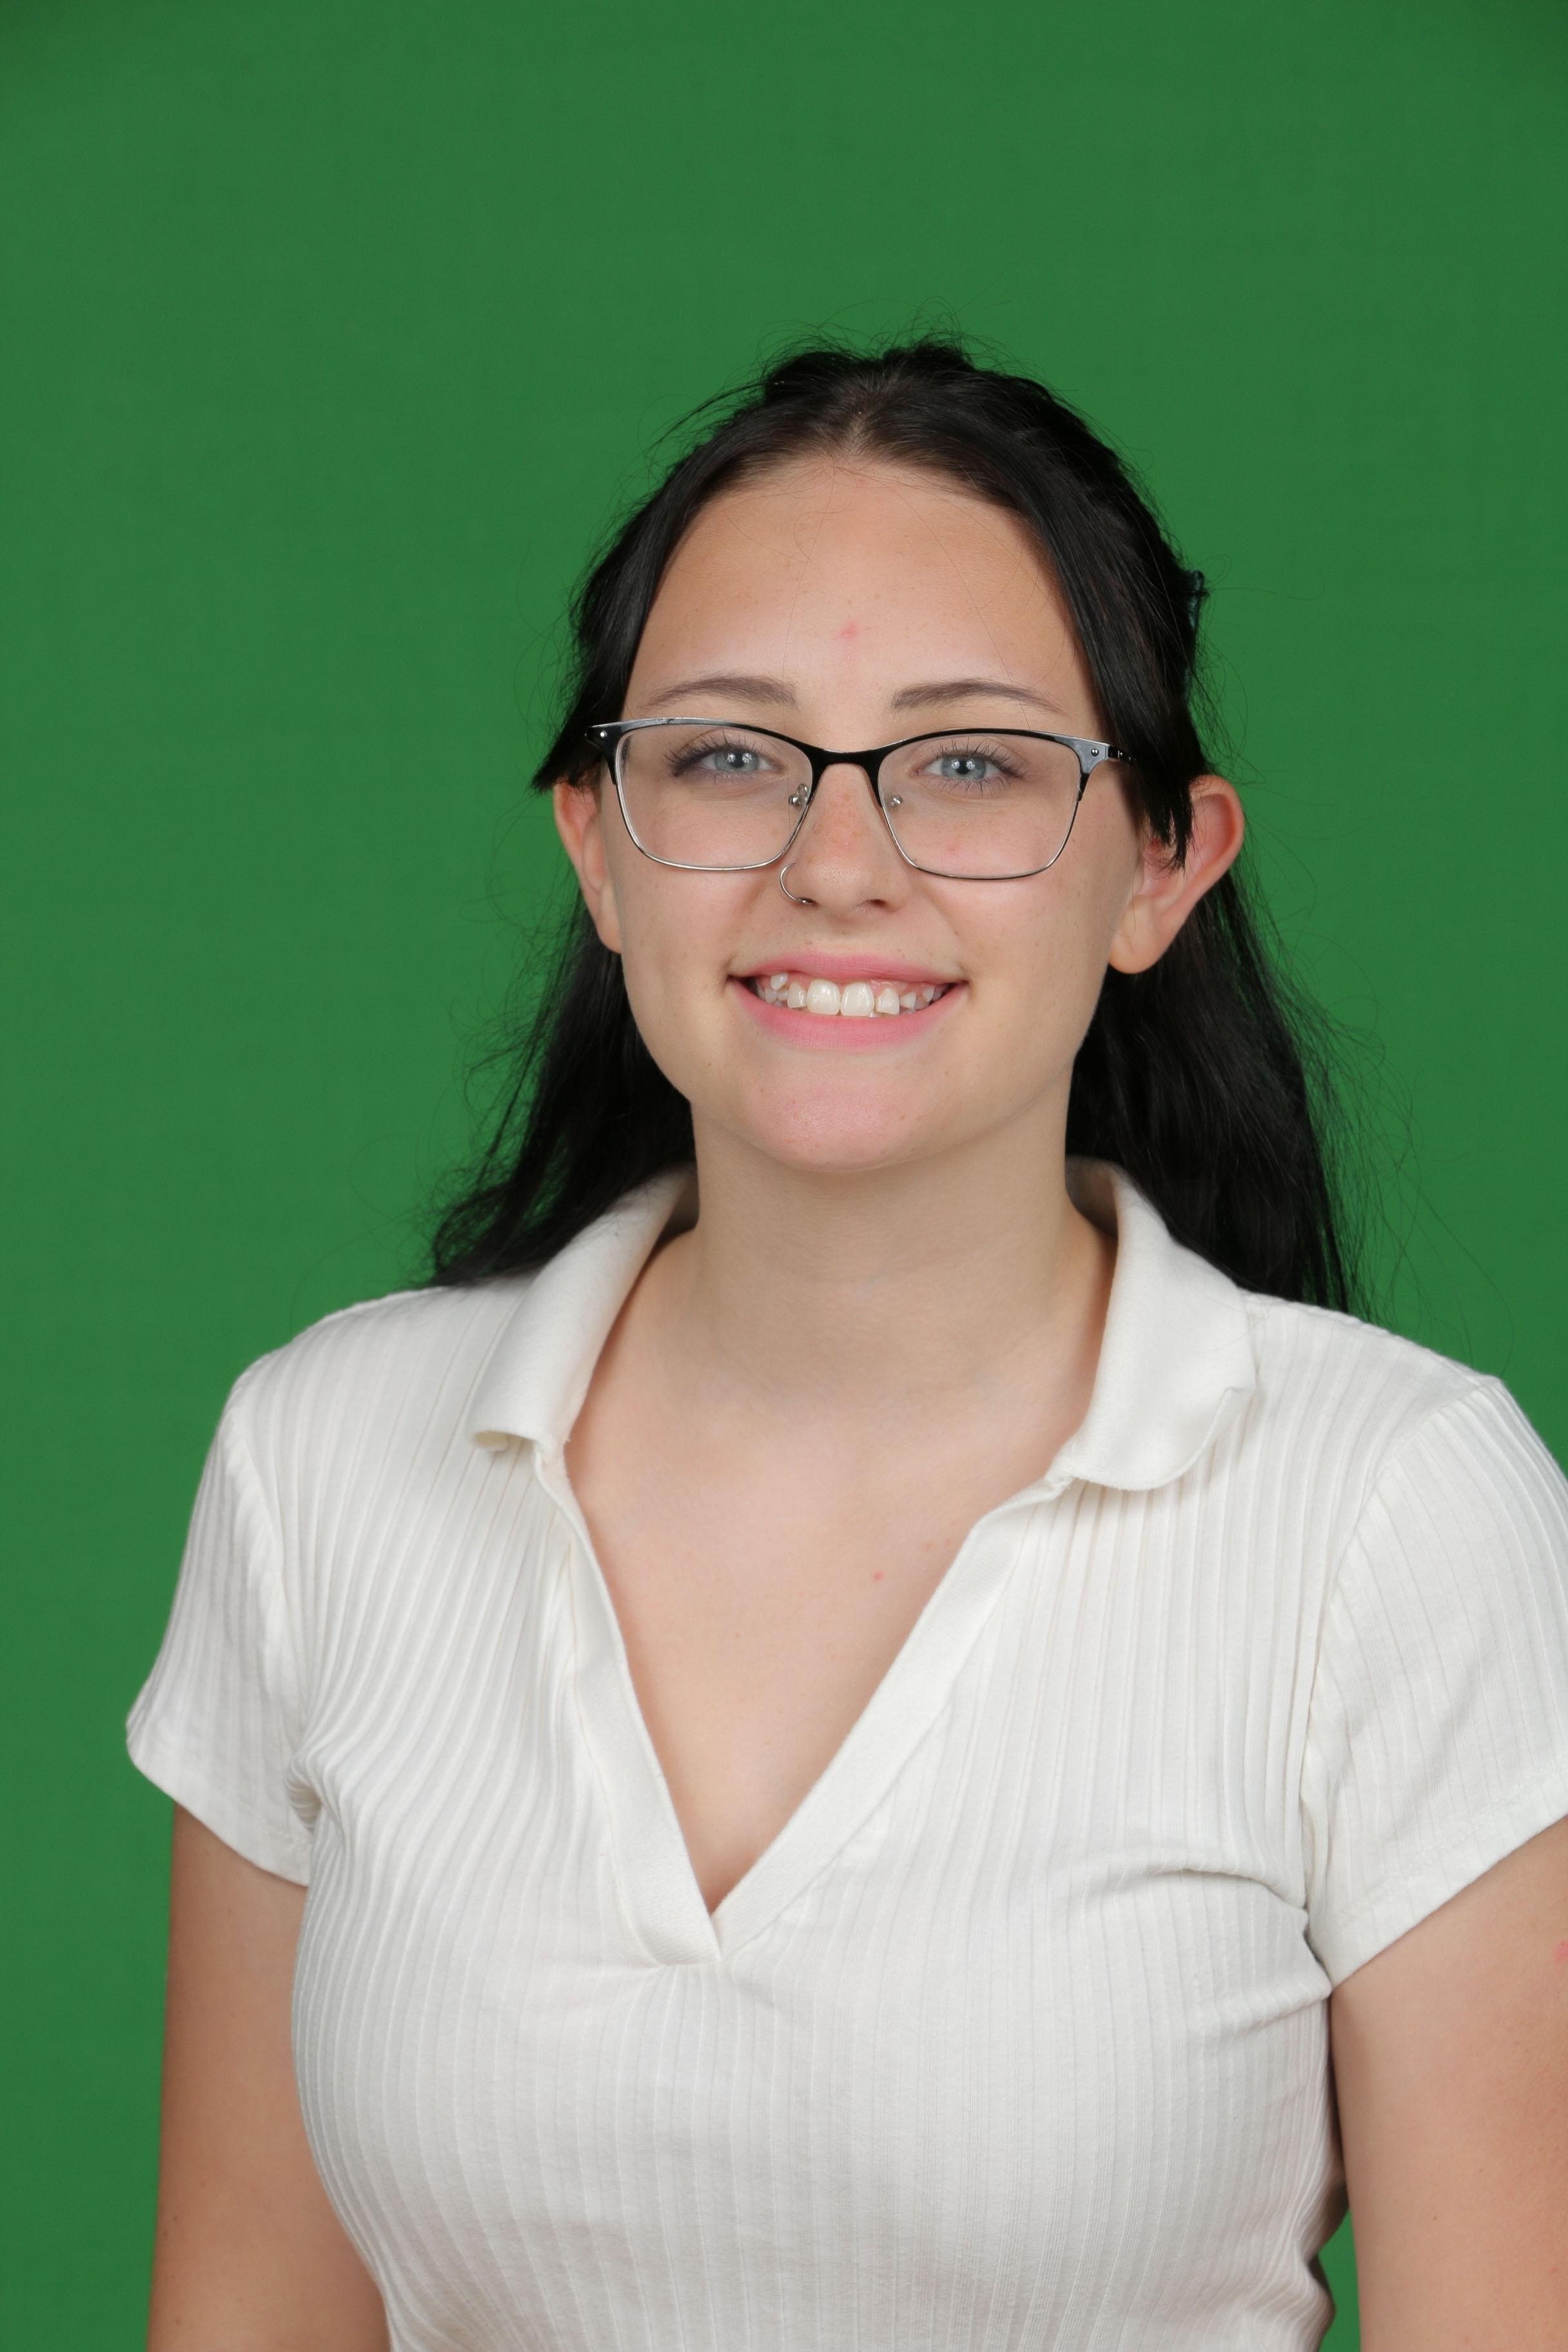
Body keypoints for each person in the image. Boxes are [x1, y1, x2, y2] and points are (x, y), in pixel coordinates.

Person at [128, 339, 1568, 2351]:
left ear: (1162, 866)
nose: (837, 861)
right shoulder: (320, 1466)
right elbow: (246, 2315)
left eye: (970, 763)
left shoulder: (1395, 1514)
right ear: (597, 847)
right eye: (729, 756)